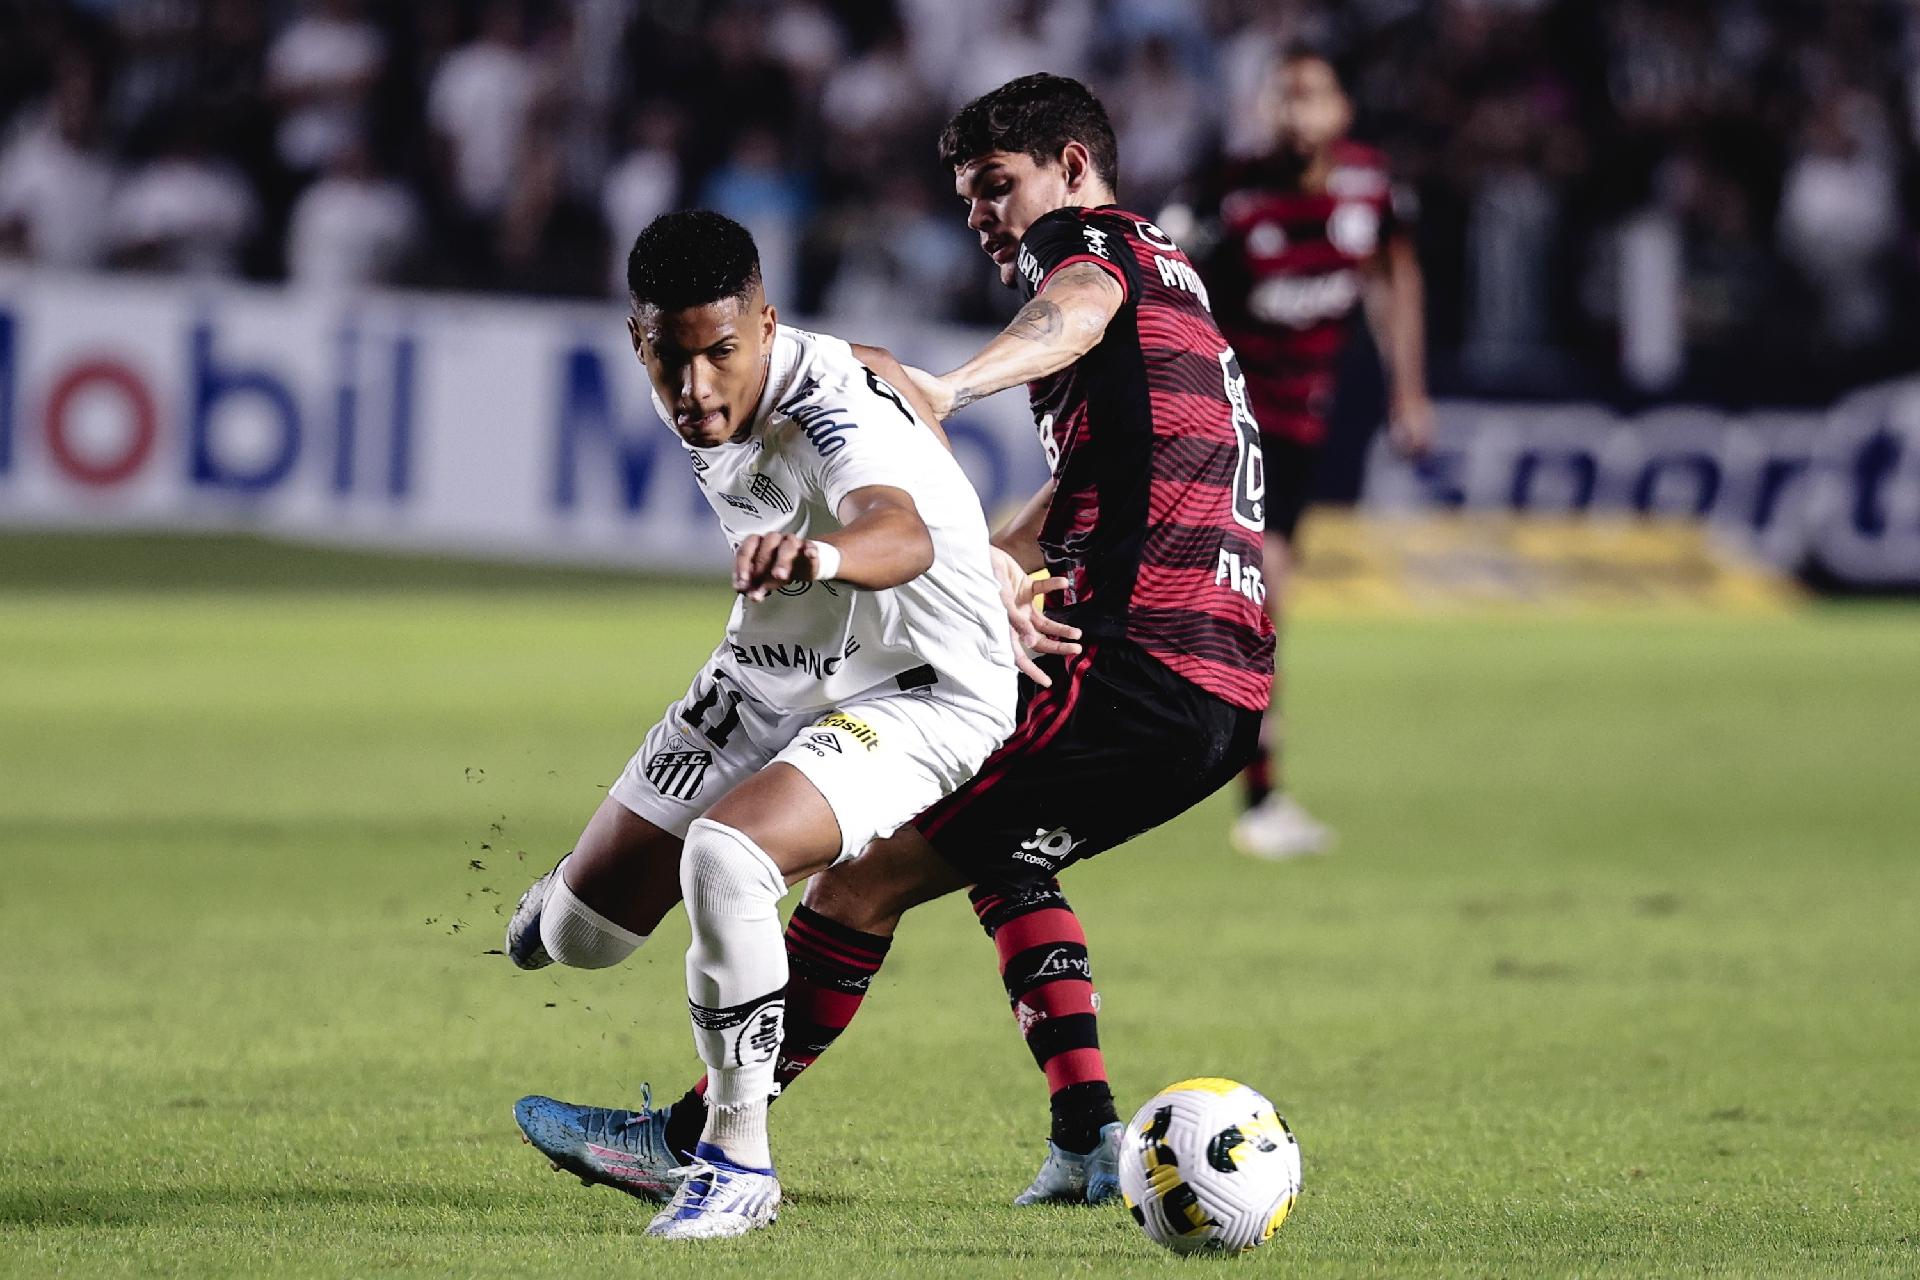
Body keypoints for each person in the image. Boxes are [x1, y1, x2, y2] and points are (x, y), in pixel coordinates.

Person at [511, 73, 1272, 1211]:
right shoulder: (1177, 276)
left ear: (1072, 164)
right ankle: (1084, 1133)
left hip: (1141, 664)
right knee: (1001, 844)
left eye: (997, 186)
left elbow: (1074, 306)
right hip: (1213, 672)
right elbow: (1093, 479)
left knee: (856, 877)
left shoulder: (1096, 250)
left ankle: (697, 1142)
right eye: (967, 196)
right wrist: (1004, 569)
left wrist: (953, 384)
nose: (982, 216)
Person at [505, 209, 1019, 1239]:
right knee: (579, 937)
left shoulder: (830, 413)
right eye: (671, 361)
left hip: (918, 688)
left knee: (728, 856)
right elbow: (883, 375)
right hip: (774, 662)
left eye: (721, 355)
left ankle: (733, 1162)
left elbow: (900, 528)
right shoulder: (713, 373)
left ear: (768, 326)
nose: (697, 389)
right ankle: (560, 901)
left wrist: (829, 555)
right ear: (638, 341)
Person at [1178, 46, 1433, 860]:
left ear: (1342, 110)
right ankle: (1259, 798)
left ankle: (1247, 786)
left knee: (1249, 609)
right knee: (1261, 602)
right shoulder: (1229, 190)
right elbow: (1170, 290)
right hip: (1230, 425)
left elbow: (1398, 272)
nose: (1298, 114)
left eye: (1313, 96)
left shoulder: (1369, 187)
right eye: (1283, 98)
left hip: (1302, 429)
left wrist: (1409, 390)